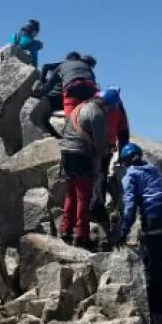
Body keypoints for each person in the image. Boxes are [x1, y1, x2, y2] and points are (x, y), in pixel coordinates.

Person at [116, 143, 162, 324]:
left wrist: (123, 231)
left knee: (154, 261)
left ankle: (158, 308)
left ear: (125, 161)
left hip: (153, 214)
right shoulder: (152, 168)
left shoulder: (130, 175)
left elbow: (130, 205)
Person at [58, 92, 114, 249]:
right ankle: (81, 235)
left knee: (71, 194)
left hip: (67, 154)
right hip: (82, 157)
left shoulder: (79, 107)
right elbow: (100, 144)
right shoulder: (97, 113)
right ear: (107, 104)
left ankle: (65, 229)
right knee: (84, 197)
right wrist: (108, 152)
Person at [92, 87, 131, 222]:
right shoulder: (118, 108)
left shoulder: (94, 101)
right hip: (104, 145)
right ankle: (97, 206)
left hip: (94, 145)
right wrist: (123, 155)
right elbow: (123, 133)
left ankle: (95, 205)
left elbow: (123, 132)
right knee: (100, 175)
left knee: (97, 175)